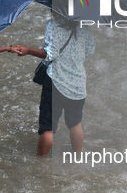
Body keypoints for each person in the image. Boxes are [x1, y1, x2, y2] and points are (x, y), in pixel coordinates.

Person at [11, 13, 95, 156]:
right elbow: (89, 50)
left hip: (55, 82)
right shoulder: (84, 27)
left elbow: (50, 54)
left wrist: (28, 50)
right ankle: (77, 158)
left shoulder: (53, 26)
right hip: (78, 84)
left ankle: (41, 165)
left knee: (47, 128)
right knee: (75, 124)